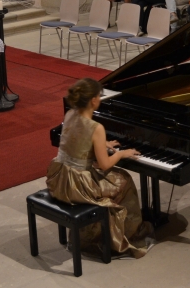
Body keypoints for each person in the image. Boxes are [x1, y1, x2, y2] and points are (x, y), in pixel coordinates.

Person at [46, 78, 154, 259]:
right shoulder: (97, 127)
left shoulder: (70, 114)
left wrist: (102, 143)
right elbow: (104, 165)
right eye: (99, 96)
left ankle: (99, 229)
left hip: (59, 178)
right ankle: (128, 234)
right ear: (94, 100)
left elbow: (78, 139)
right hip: (79, 186)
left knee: (114, 178)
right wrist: (122, 153)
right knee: (124, 180)